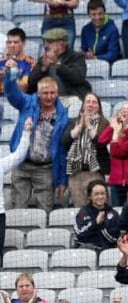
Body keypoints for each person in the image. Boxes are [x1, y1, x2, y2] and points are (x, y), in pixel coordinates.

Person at [4, 70, 69, 213]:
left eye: (52, 93)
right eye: (45, 93)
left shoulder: (63, 116)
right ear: (38, 93)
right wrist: (11, 74)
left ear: (57, 93)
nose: (49, 96)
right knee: (17, 211)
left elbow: (62, 151)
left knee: (45, 211)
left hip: (46, 169)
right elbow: (11, 93)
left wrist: (62, 180)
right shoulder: (27, 103)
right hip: (21, 165)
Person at [28, 28, 91, 103]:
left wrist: (58, 64)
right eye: (46, 42)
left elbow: (78, 78)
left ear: (61, 44)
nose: (46, 45)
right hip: (47, 100)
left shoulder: (77, 57)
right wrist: (43, 69)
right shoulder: (43, 60)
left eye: (50, 42)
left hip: (70, 98)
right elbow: (31, 83)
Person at [74, 179, 120, 250]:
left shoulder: (113, 213)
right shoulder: (83, 213)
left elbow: (114, 238)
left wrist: (101, 225)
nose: (100, 197)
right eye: (96, 194)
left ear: (107, 195)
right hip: (87, 251)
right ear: (90, 197)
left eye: (103, 193)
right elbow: (80, 235)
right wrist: (96, 223)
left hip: (107, 252)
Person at [2, 27, 35, 96]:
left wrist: (12, 73)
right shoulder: (1, 62)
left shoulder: (30, 63)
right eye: (9, 42)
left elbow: (24, 88)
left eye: (16, 42)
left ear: (24, 43)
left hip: (20, 99)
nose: (12, 45)